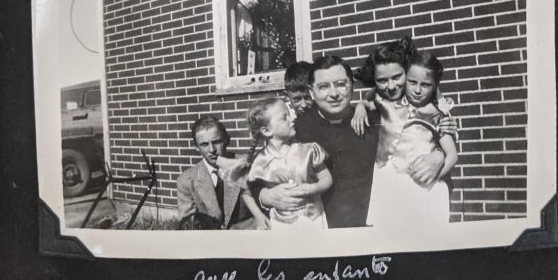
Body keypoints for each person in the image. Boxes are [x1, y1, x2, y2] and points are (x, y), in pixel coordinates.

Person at [259, 55, 445, 228]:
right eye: (323, 87)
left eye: (341, 84)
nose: (334, 94)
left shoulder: (376, 121)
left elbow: (416, 144)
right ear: (312, 91)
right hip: (319, 230)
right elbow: (260, 171)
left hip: (374, 228)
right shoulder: (296, 129)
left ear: (352, 85)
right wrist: (265, 196)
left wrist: (438, 155)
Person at [366, 50, 457, 228]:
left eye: (425, 85)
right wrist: (361, 107)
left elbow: (452, 155)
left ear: (434, 87)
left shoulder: (436, 114)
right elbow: (370, 100)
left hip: (422, 186)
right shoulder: (389, 103)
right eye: (412, 82)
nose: (417, 90)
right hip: (391, 184)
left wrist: (434, 177)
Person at [244, 96, 332, 230]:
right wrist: (259, 216)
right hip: (281, 225)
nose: (293, 118)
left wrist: (313, 188)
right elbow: (247, 192)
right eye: (285, 117)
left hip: (314, 221)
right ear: (267, 131)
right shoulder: (260, 162)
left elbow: (326, 178)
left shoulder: (308, 150)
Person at [176, 115, 264, 229]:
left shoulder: (246, 165)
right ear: (196, 147)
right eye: (204, 144)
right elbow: (187, 224)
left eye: (216, 142)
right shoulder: (187, 180)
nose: (212, 150)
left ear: (227, 140)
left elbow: (264, 206)